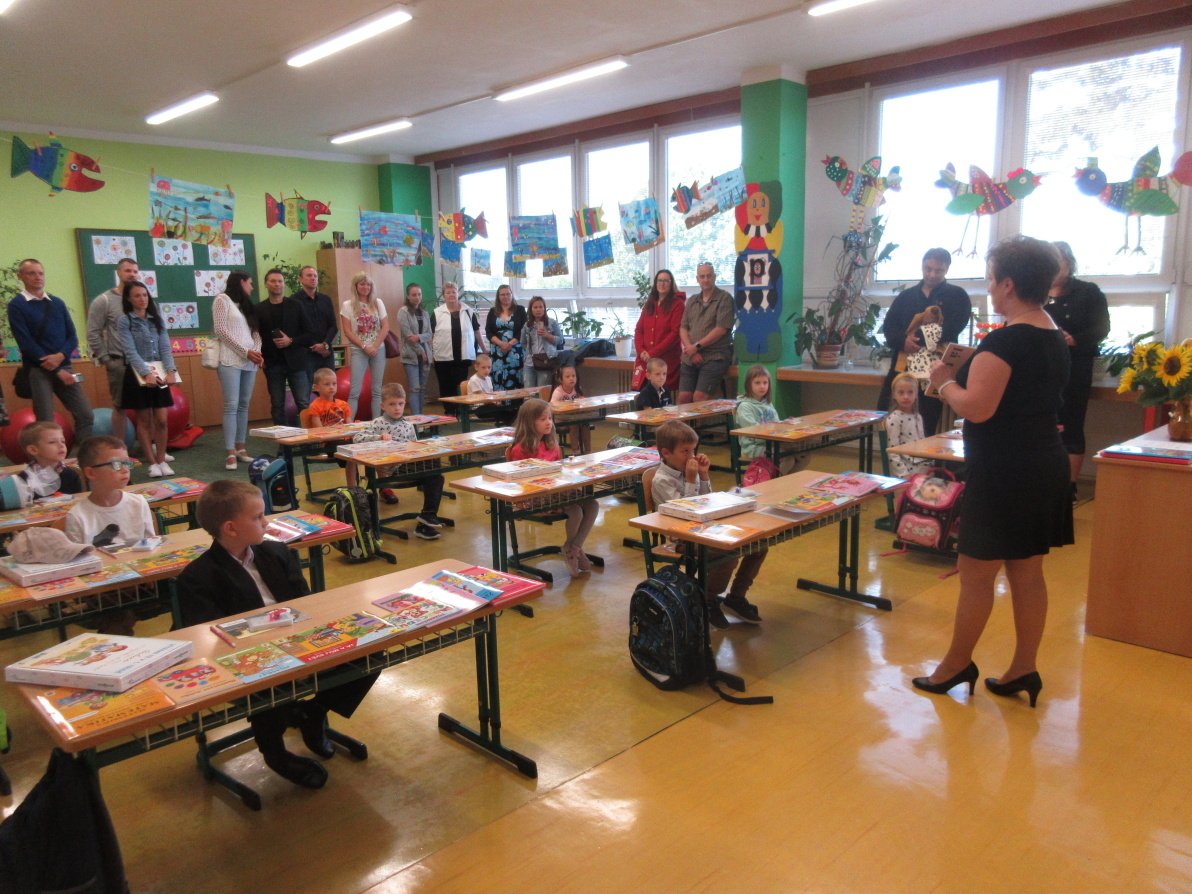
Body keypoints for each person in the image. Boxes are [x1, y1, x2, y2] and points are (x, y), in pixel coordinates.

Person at [913, 236, 1073, 708]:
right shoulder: (1050, 332)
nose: (988, 287)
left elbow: (977, 408)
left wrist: (944, 382)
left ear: (1008, 284)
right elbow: (1020, 386)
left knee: (976, 573)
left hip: (1006, 471)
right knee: (1027, 572)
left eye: (990, 278)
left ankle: (955, 664)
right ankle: (1024, 666)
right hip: (1043, 462)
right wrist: (976, 362)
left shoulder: (1006, 340)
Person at [177, 480, 378, 790]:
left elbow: (306, 603)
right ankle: (274, 751)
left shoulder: (276, 551)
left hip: (298, 641)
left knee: (371, 647)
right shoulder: (197, 577)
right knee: (267, 678)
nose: (267, 523)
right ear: (231, 528)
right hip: (250, 659)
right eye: (258, 517)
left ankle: (313, 712)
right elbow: (210, 640)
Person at [652, 420, 766, 628]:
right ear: (666, 453)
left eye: (693, 450)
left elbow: (707, 501)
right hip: (683, 538)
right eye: (685, 451)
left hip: (706, 528)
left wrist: (703, 475)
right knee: (728, 552)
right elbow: (686, 511)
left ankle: (736, 596)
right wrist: (691, 479)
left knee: (759, 543)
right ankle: (707, 600)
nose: (691, 456)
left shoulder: (690, 470)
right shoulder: (662, 480)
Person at [65, 435, 157, 635]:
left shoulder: (138, 502)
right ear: (91, 472)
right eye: (116, 464)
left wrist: (147, 570)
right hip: (101, 589)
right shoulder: (78, 516)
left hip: (142, 581)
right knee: (116, 615)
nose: (125, 470)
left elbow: (152, 544)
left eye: (127, 463)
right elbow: (78, 567)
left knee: (187, 588)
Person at [878, 248, 972, 436]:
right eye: (928, 269)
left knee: (925, 424)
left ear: (947, 269)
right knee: (889, 420)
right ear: (922, 266)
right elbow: (889, 327)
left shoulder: (958, 296)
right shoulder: (906, 297)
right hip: (903, 368)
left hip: (935, 371)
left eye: (938, 270)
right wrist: (903, 342)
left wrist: (918, 338)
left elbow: (954, 327)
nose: (932, 274)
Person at [1045, 240, 1110, 498]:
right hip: (1042, 369)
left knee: (1071, 425)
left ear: (1069, 264)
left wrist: (1074, 339)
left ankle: (1069, 486)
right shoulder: (1036, 293)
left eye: (1058, 261)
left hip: (1075, 369)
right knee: (1042, 425)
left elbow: (1102, 328)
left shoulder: (1088, 292)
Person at [7, 259, 94, 445]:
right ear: (21, 276)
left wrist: (61, 356)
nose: (37, 277)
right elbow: (26, 343)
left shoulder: (57, 303)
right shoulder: (17, 305)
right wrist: (56, 369)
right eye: (31, 273)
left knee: (85, 413)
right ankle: (49, 460)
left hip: (65, 366)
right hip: (39, 370)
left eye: (40, 273)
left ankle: (86, 454)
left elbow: (72, 337)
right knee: (46, 421)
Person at [509, 399, 597, 578]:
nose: (548, 422)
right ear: (529, 423)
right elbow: (519, 481)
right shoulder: (520, 449)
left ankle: (573, 547)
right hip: (534, 497)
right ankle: (573, 550)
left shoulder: (552, 445)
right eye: (542, 419)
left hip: (556, 492)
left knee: (592, 504)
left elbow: (559, 471)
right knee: (575, 511)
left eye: (549, 418)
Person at [351, 383, 446, 541]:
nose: (397, 408)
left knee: (437, 476)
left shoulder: (408, 426)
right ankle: (427, 519)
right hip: (391, 470)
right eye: (392, 404)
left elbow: (415, 446)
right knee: (434, 469)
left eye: (400, 404)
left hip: (409, 465)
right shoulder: (378, 423)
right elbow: (357, 438)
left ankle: (426, 519)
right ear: (382, 406)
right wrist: (379, 437)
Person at [117, 280, 178, 478]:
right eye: (137, 296)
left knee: (162, 420)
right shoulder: (125, 321)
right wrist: (145, 373)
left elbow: (165, 347)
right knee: (144, 420)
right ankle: (152, 463)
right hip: (138, 375)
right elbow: (130, 351)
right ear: (129, 299)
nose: (142, 299)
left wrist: (170, 370)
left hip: (159, 373)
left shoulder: (156, 320)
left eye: (144, 295)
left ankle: (161, 459)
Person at [86, 257, 141, 445]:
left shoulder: (141, 298)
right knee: (120, 407)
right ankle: (120, 449)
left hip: (144, 363)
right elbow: (93, 333)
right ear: (118, 272)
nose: (132, 274)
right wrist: (106, 359)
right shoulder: (104, 300)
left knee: (147, 408)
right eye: (127, 270)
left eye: (135, 271)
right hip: (119, 363)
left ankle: (151, 448)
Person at [213, 272, 263, 471]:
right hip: (230, 360)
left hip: (250, 361)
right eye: (250, 283)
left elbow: (256, 333)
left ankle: (241, 448)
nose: (252, 287)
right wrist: (245, 352)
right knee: (231, 405)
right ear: (241, 282)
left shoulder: (247, 305)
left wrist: (256, 352)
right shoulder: (222, 300)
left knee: (244, 405)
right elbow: (221, 330)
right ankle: (230, 452)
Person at [257, 268, 311, 426]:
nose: (277, 284)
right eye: (273, 281)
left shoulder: (296, 305)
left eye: (280, 281)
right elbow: (255, 336)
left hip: (297, 362)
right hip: (272, 363)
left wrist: (291, 341)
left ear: (284, 284)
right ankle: (282, 439)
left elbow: (310, 333)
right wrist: (261, 357)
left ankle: (307, 437)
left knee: (303, 402)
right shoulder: (258, 309)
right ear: (266, 284)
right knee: (277, 404)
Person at [678, 263, 734, 404]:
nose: (706, 279)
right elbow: (683, 328)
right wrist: (691, 350)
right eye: (702, 276)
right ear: (697, 279)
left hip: (714, 356)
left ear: (714, 277)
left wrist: (696, 347)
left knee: (699, 398)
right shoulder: (692, 300)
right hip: (690, 357)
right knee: (684, 398)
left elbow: (721, 329)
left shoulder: (725, 298)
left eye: (709, 276)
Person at [340, 272, 389, 420]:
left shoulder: (378, 303)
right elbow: (347, 331)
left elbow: (385, 327)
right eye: (362, 284)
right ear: (356, 286)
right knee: (354, 391)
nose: (366, 287)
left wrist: (375, 346)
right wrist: (364, 346)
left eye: (368, 284)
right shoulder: (347, 305)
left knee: (377, 391)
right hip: (358, 350)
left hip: (378, 350)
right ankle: (349, 425)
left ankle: (377, 422)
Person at [430, 282, 484, 416]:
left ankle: (460, 410)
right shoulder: (437, 313)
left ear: (457, 293)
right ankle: (449, 411)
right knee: (445, 385)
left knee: (459, 385)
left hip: (463, 356)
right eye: (448, 292)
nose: (451, 295)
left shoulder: (468, 311)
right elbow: (430, 335)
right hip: (442, 357)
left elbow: (477, 332)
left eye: (453, 292)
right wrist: (431, 353)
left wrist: (484, 349)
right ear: (443, 295)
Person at [303, 367, 357, 486]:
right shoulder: (315, 406)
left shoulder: (343, 404)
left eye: (334, 384)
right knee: (350, 454)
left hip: (345, 440)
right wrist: (336, 433)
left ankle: (365, 485)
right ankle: (352, 487)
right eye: (327, 384)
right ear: (316, 387)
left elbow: (350, 425)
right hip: (329, 443)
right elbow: (320, 430)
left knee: (362, 445)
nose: (331, 387)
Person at [635, 269, 685, 391]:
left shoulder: (678, 304)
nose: (662, 284)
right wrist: (641, 351)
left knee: (662, 396)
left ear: (671, 283)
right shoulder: (650, 303)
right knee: (642, 396)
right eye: (659, 280)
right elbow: (639, 330)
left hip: (665, 361)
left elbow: (675, 334)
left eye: (666, 281)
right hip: (645, 360)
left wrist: (652, 353)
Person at [13, 421, 83, 503]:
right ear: (33, 450)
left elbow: (77, 501)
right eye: (52, 442)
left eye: (63, 441)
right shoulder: (23, 479)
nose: (61, 445)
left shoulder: (70, 475)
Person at [291, 265, 337, 382]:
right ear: (301, 279)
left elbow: (333, 325)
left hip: (326, 352)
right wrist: (315, 346)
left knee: (329, 387)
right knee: (310, 387)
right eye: (309, 275)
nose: (313, 278)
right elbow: (295, 329)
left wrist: (325, 344)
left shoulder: (326, 299)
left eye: (315, 276)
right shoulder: (293, 301)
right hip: (306, 353)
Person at [884, 372, 932, 478]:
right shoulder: (894, 418)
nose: (906, 396)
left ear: (916, 395)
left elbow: (922, 444)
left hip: (922, 466)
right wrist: (904, 474)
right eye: (901, 392)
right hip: (907, 470)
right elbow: (893, 452)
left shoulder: (918, 417)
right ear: (894, 395)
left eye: (910, 392)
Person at [396, 283, 432, 414]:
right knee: (415, 388)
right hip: (411, 356)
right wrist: (420, 350)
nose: (417, 297)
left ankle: (421, 417)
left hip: (426, 355)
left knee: (422, 388)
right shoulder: (403, 312)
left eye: (419, 294)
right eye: (414, 295)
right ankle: (416, 418)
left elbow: (429, 334)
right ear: (408, 296)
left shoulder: (424, 313)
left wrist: (418, 337)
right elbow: (408, 337)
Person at [485, 284, 526, 391]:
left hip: (515, 351)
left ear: (512, 295)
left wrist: (509, 344)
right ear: (498, 296)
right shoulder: (492, 311)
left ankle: (516, 401)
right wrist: (501, 343)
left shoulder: (520, 310)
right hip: (497, 351)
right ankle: (500, 401)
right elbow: (488, 331)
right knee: (498, 378)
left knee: (515, 378)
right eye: (502, 294)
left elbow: (523, 330)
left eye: (508, 294)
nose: (505, 296)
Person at [522, 295, 565, 389]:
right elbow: (523, 342)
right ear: (531, 309)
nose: (538, 310)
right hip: (529, 362)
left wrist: (547, 336)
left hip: (546, 361)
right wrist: (529, 352)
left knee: (543, 391)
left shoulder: (552, 323)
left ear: (544, 308)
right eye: (535, 307)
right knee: (529, 391)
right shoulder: (527, 325)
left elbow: (560, 340)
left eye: (541, 307)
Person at [551, 364, 590, 454]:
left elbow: (583, 402)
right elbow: (552, 406)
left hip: (574, 416)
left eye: (573, 376)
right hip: (560, 418)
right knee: (574, 424)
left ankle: (588, 450)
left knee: (585, 423)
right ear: (560, 379)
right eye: (567, 377)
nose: (571, 378)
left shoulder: (577, 389)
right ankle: (575, 450)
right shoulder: (558, 392)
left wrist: (582, 401)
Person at [467, 354, 515, 424]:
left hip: (489, 405)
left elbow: (491, 394)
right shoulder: (474, 380)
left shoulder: (488, 378)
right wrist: (494, 401)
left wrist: (496, 400)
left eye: (489, 367)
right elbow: (481, 397)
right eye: (483, 367)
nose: (487, 370)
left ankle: (508, 424)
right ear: (476, 367)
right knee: (503, 413)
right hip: (478, 408)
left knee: (510, 411)